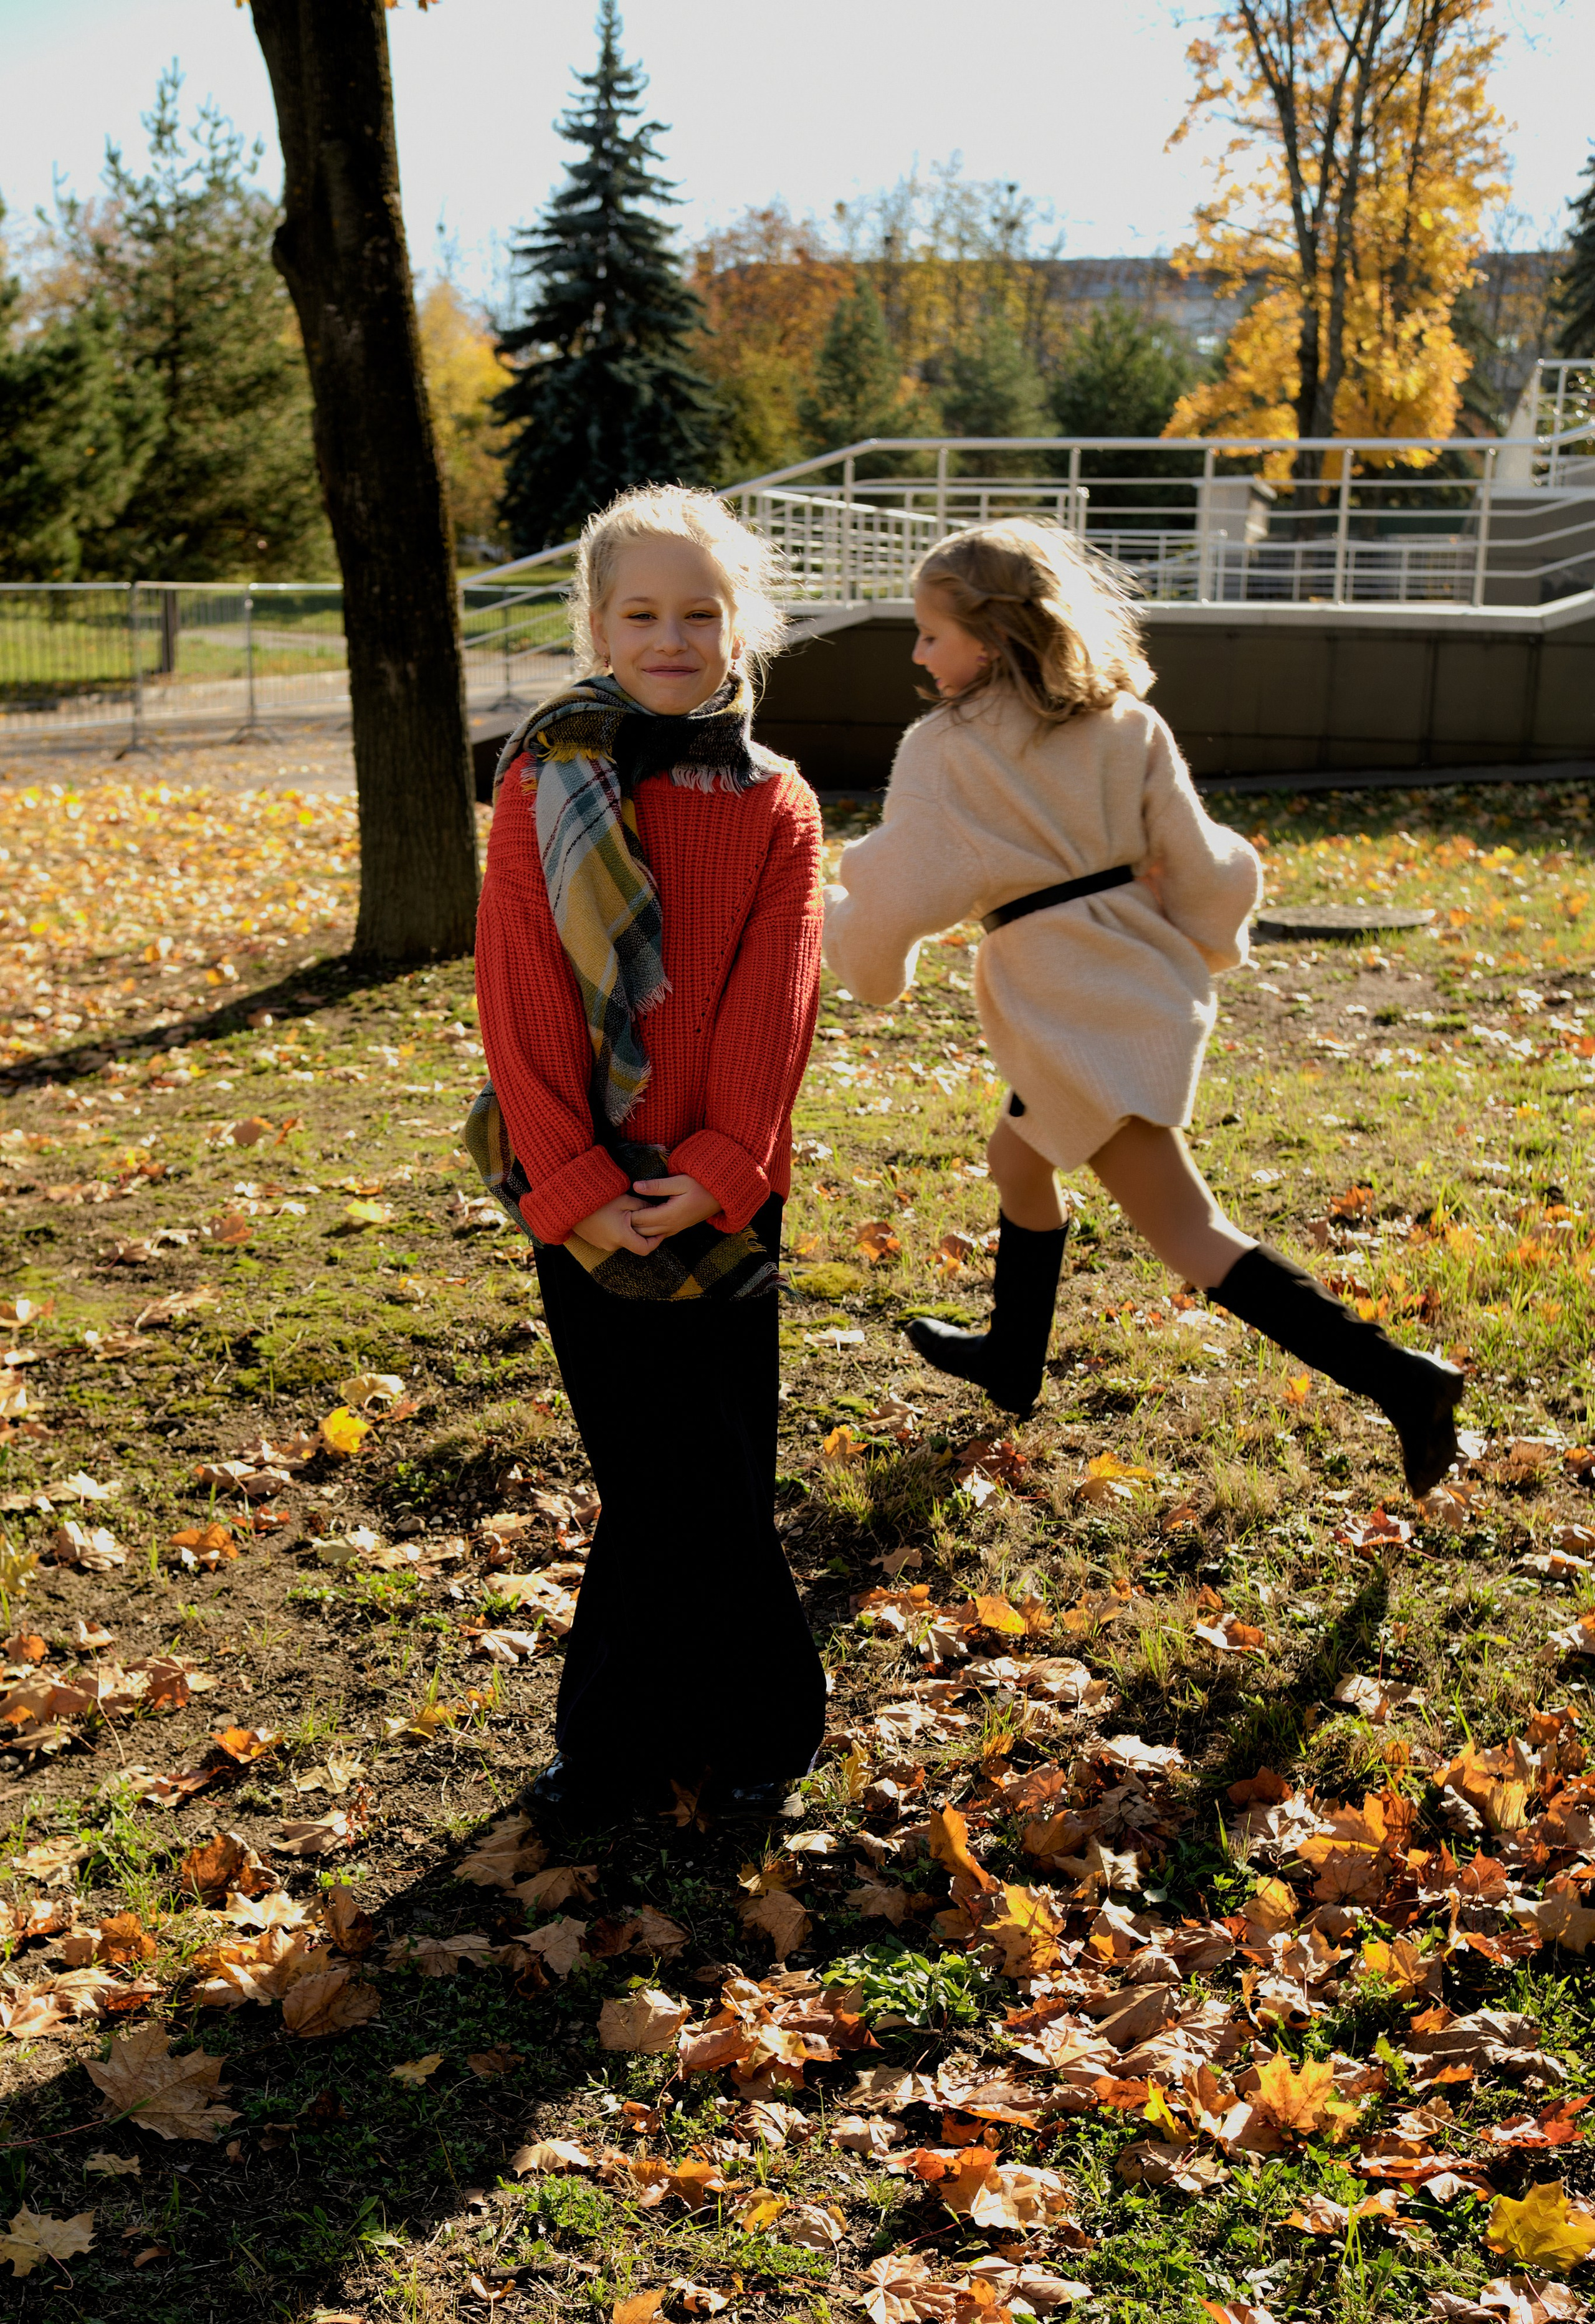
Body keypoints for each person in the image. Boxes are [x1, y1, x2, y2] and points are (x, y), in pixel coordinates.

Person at [821, 518, 1462, 1496]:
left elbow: (908, 888)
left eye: (930, 633)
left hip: (1078, 1003)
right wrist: (1201, 933)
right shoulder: (1126, 721)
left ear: (990, 639)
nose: (917, 652)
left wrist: (849, 939)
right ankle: (1011, 1357)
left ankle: (1400, 1381)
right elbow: (1203, 862)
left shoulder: (946, 748)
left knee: (1188, 1231)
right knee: (1015, 1157)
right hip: (1136, 974)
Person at [472, 485, 827, 1827]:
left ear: (740, 630)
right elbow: (519, 989)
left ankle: (754, 1729)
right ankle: (620, 1742)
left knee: (723, 1460)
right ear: (597, 624)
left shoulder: (774, 803)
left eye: (699, 612)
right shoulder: (540, 776)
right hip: (585, 1190)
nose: (670, 636)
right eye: (641, 613)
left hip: (724, 1192)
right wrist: (571, 1185)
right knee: (641, 1466)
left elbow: (773, 997)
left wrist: (730, 1162)